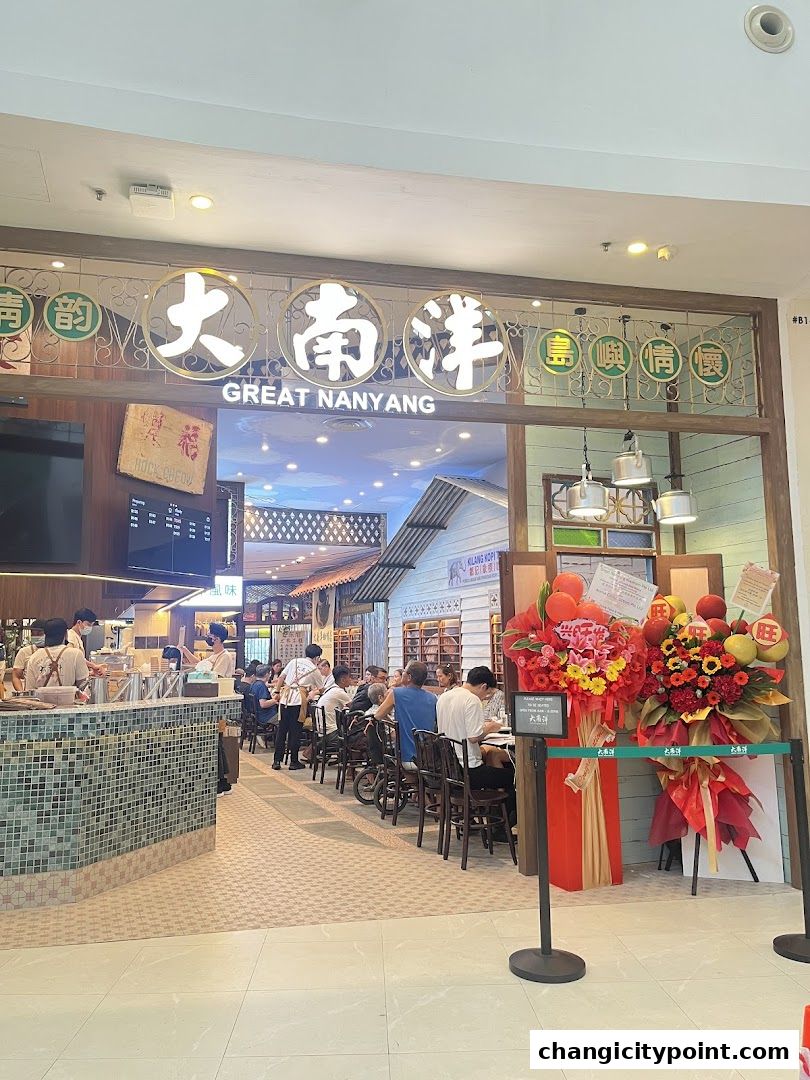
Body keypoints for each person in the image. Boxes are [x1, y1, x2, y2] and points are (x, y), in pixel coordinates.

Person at [436, 665, 516, 828]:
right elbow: (474, 736)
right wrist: (491, 728)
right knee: (513, 778)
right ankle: (500, 828)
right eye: (487, 695)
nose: (485, 698)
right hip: (469, 770)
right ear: (483, 686)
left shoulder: (444, 697)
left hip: (450, 768)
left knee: (492, 761)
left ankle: (490, 823)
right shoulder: (471, 699)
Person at [374, 660, 437, 770]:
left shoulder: (396, 693)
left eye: (404, 671)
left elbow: (378, 715)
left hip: (407, 757)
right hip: (429, 759)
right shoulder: (433, 698)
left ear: (409, 677)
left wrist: (393, 724)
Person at [273, 643, 324, 771]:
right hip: (298, 700)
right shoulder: (315, 670)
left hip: (285, 698)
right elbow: (322, 689)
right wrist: (314, 692)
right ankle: (293, 761)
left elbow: (281, 677)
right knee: (295, 731)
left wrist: (277, 692)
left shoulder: (294, 661)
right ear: (317, 658)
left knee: (282, 730)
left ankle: (276, 761)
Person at [25, 618, 90, 693]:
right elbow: (82, 684)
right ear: (66, 634)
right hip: (69, 703)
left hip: (42, 703)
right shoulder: (76, 654)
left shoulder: (34, 657)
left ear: (45, 635)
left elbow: (30, 689)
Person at [304, 664, 353, 760]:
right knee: (357, 737)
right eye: (349, 677)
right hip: (331, 733)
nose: (351, 679)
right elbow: (353, 707)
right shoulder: (339, 692)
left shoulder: (331, 689)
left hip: (323, 731)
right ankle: (350, 767)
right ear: (343, 679)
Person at [67, 608, 105, 676]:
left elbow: (80, 660)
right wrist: (93, 666)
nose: (90, 627)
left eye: (91, 625)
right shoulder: (70, 636)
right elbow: (73, 658)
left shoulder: (78, 637)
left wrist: (90, 673)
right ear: (79, 622)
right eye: (88, 624)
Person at [11, 619, 46, 692]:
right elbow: (16, 676)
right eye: (33, 634)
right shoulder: (24, 652)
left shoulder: (54, 652)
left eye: (39, 633)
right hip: (31, 693)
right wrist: (22, 693)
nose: (36, 636)